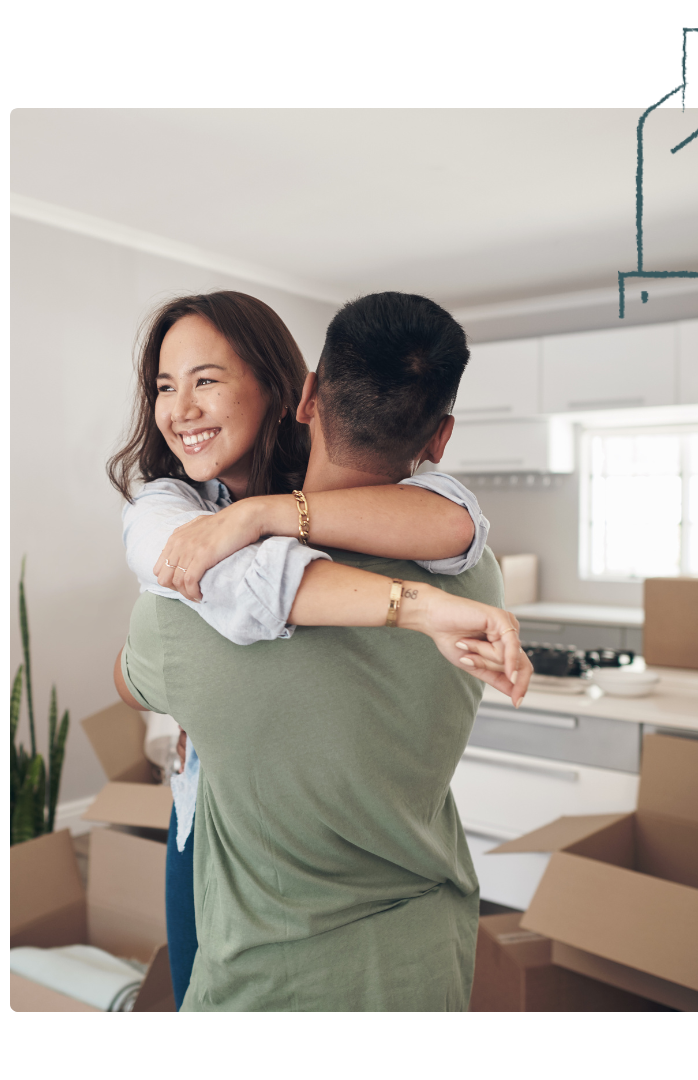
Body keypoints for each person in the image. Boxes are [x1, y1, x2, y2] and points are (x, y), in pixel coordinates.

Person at [110, 290, 529, 1009]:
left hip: (261, 937)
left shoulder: (183, 613)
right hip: (419, 921)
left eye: (206, 379)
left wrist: (261, 516)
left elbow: (133, 672)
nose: (181, 408)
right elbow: (462, 530)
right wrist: (419, 606)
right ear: (439, 436)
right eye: (165, 386)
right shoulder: (475, 581)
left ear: (300, 396)